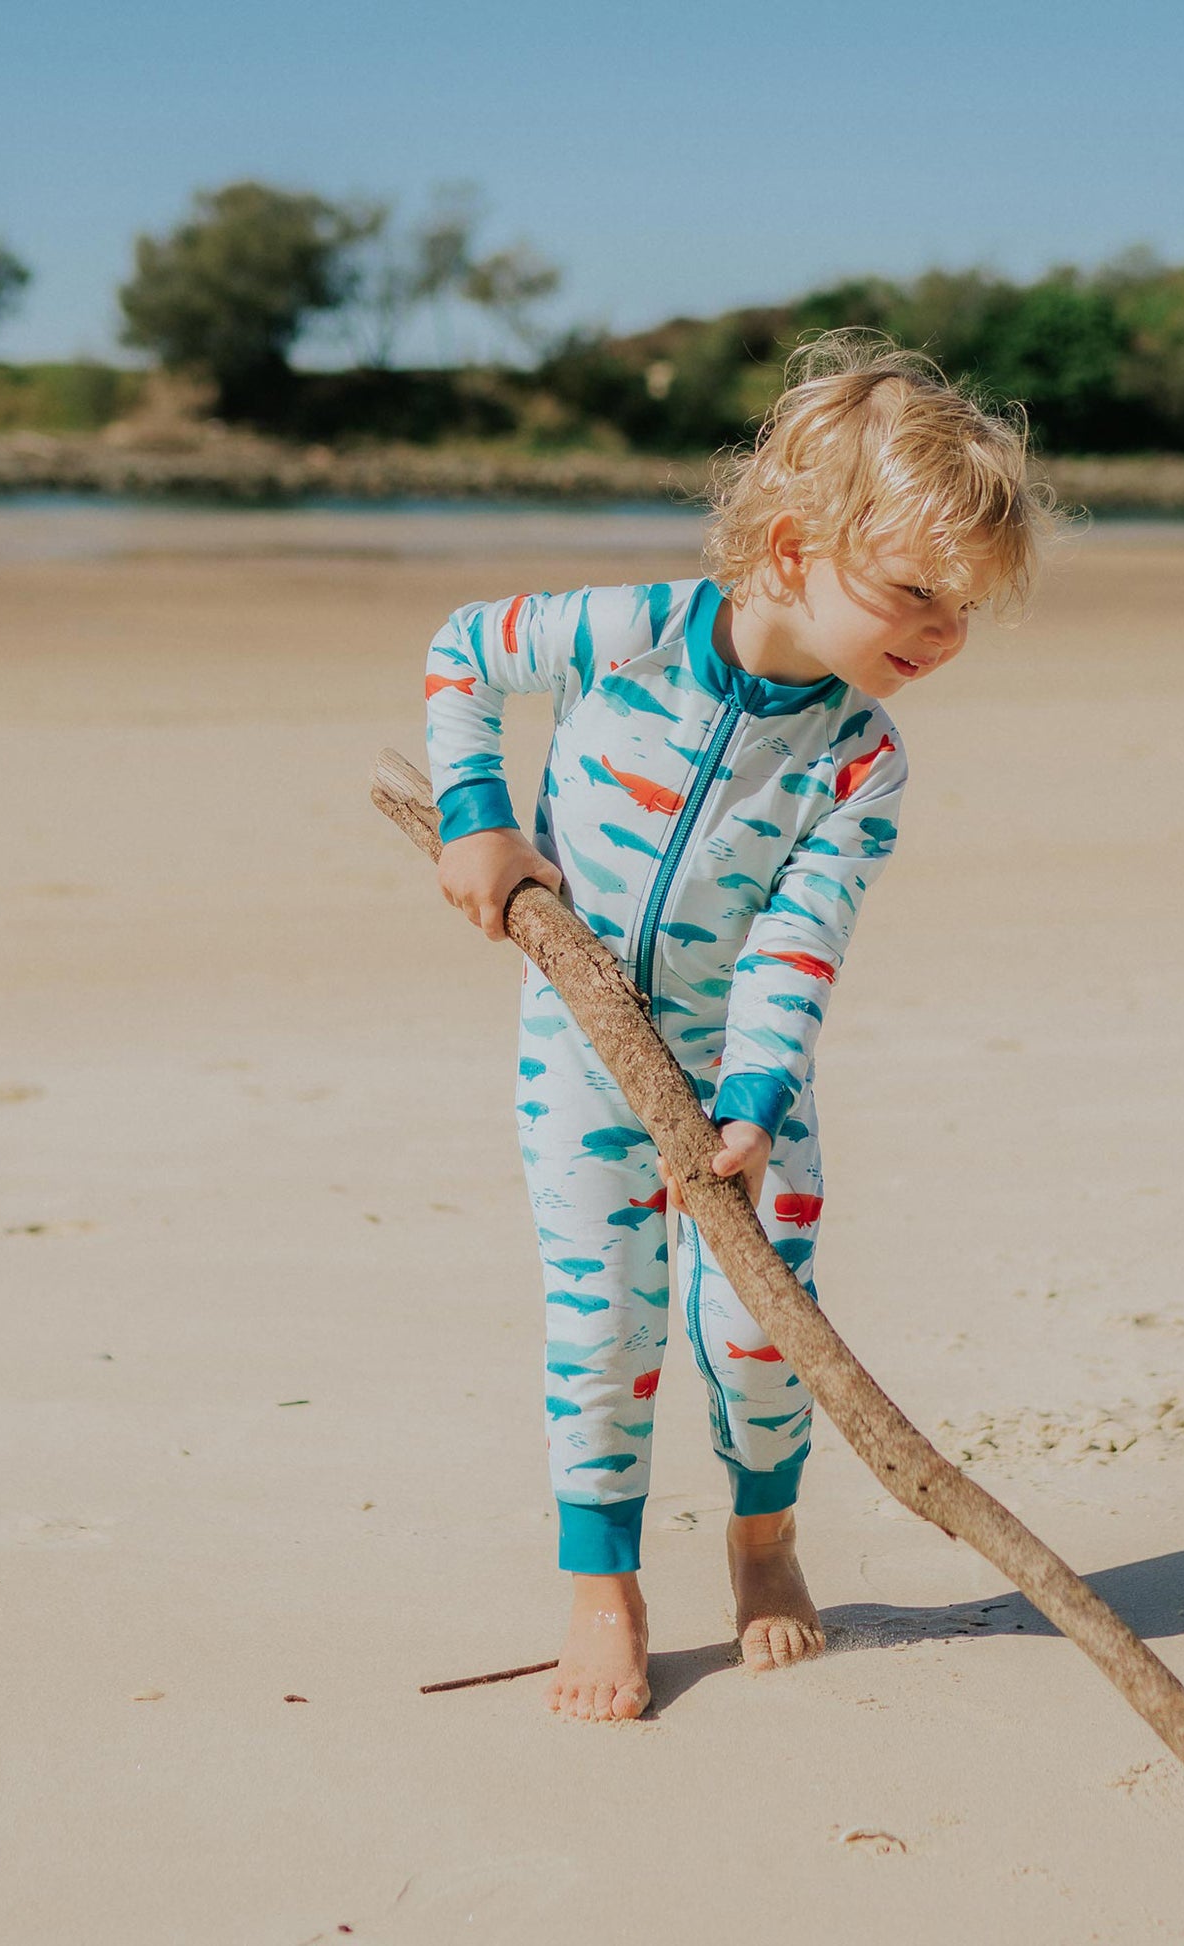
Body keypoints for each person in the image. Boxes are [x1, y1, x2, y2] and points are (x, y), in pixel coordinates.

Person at [422, 330, 1051, 1721]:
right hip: (576, 1054)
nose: (941, 635)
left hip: (741, 1078)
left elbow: (795, 937)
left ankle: (762, 1536)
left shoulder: (859, 756)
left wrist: (753, 1100)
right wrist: (478, 819)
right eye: (914, 592)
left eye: (962, 609)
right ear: (786, 550)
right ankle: (604, 1588)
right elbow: (464, 652)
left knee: (757, 1333)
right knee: (602, 1326)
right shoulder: (630, 632)